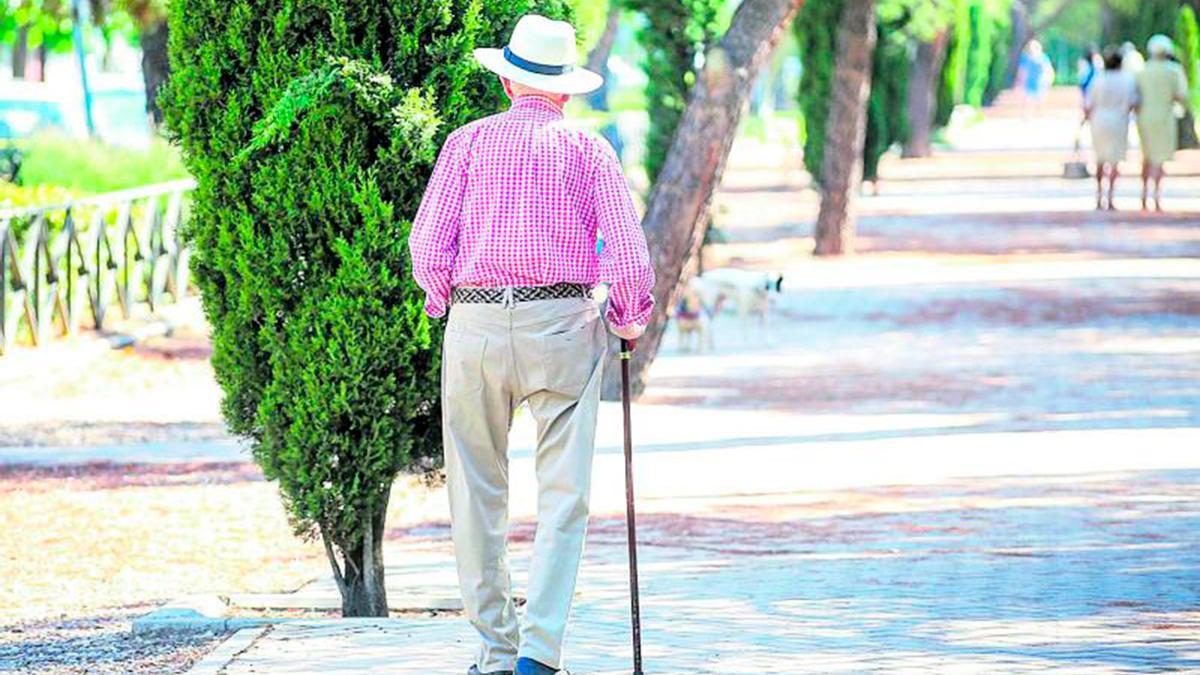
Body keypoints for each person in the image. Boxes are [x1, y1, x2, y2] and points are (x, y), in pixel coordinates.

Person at [408, 14, 654, 675]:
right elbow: (629, 258)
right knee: (564, 493)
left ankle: (495, 651)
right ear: (566, 91)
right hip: (564, 325)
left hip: (476, 326)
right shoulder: (590, 151)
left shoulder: (466, 143)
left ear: (508, 82)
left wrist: (447, 300)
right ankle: (539, 654)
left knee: (475, 491)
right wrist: (629, 316)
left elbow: (427, 247)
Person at [1135, 34, 1191, 211]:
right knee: (1159, 158)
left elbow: (1135, 95)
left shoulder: (1142, 70)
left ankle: (1144, 194)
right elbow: (1182, 95)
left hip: (1144, 117)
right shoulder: (1174, 71)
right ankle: (1156, 196)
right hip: (1165, 117)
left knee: (1147, 156)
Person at [1085, 48, 1138, 210]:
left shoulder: (1098, 79)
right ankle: (1110, 197)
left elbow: (1089, 103)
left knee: (1100, 159)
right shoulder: (1127, 80)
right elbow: (1133, 102)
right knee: (1115, 160)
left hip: (1099, 121)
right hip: (1119, 121)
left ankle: (1098, 195)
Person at [1017, 40, 1055, 117]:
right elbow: (1022, 70)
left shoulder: (1043, 58)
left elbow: (1049, 69)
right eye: (1031, 47)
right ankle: (1027, 114)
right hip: (1029, 82)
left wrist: (1049, 79)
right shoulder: (1026, 58)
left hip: (1041, 82)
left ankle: (1040, 114)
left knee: (1041, 99)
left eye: (1034, 47)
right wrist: (1020, 81)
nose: (1032, 49)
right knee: (1028, 99)